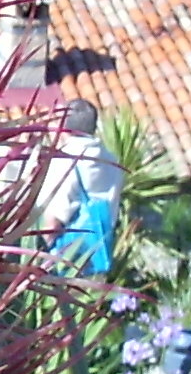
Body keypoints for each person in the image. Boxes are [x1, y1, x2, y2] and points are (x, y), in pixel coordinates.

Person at [35, 99, 124, 276]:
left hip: (65, 260)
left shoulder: (66, 159)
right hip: (99, 252)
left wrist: (38, 255)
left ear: (64, 127)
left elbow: (55, 218)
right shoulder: (112, 160)